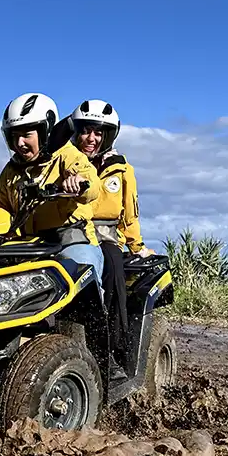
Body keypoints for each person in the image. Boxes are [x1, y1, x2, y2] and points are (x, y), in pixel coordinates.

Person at [0, 92, 104, 286]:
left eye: (26, 135)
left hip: (70, 242)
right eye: (14, 136)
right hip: (28, 246)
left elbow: (93, 185)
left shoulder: (66, 155)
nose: (19, 143)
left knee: (80, 272)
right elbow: (1, 205)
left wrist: (79, 183)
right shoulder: (11, 171)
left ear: (45, 131)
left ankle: (92, 316)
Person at [70, 99, 153, 337]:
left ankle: (115, 342)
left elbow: (129, 213)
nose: (91, 139)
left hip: (105, 236)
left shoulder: (122, 169)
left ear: (109, 136)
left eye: (98, 133)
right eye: (85, 131)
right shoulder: (64, 163)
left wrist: (137, 246)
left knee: (114, 271)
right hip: (68, 232)